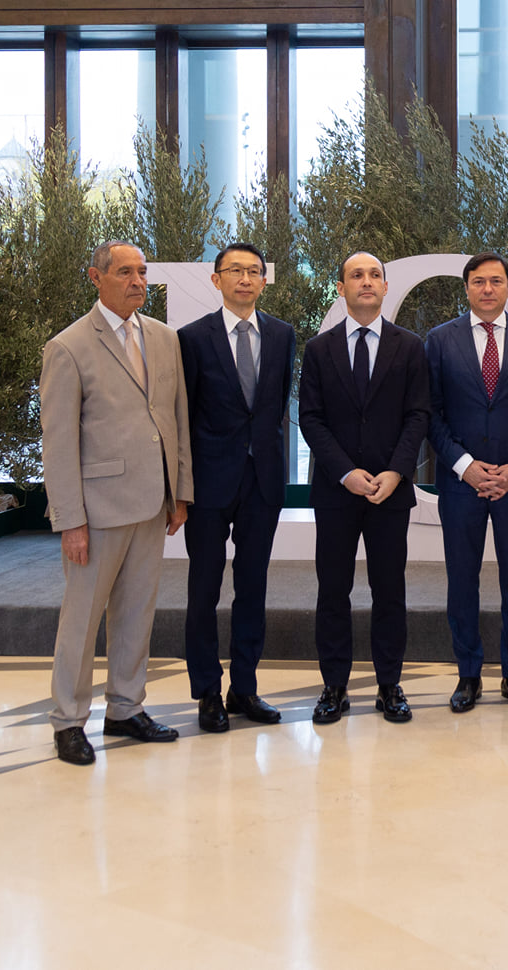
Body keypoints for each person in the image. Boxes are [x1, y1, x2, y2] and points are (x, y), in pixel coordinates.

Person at [40, 241, 193, 766]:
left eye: (142, 272)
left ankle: (126, 708)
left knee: (136, 614)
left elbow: (175, 419)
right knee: (81, 621)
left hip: (153, 504)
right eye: (125, 272)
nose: (137, 281)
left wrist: (180, 492)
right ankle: (68, 720)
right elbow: (58, 443)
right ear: (96, 277)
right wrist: (70, 521)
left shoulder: (164, 339)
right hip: (97, 511)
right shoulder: (68, 347)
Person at [299, 251, 432, 725]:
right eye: (356, 275)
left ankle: (389, 685)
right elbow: (310, 419)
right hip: (337, 492)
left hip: (390, 492)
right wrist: (345, 472)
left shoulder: (409, 347)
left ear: (386, 286)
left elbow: (418, 415)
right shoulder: (319, 349)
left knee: (389, 590)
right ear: (341, 288)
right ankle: (334, 686)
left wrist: (397, 472)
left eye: (375, 274)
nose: (367, 281)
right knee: (333, 590)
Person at [425, 251, 508, 713]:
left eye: (496, 281)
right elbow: (430, 411)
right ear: (466, 288)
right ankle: (468, 675)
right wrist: (464, 465)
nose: (487, 289)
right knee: (462, 580)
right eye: (478, 281)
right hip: (460, 483)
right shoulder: (439, 340)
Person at [177, 242, 295, 734]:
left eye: (253, 271)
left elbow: (275, 406)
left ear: (264, 280)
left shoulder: (283, 335)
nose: (245, 279)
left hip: (261, 481)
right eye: (235, 271)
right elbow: (182, 414)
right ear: (216, 279)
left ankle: (244, 687)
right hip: (208, 483)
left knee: (252, 587)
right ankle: (207, 691)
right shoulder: (191, 338)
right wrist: (180, 487)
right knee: (203, 589)